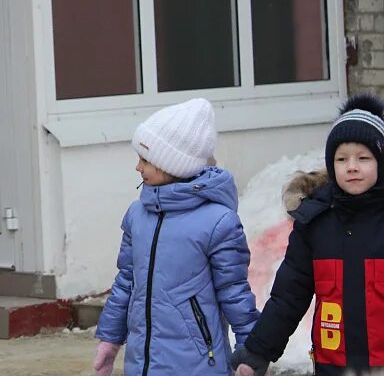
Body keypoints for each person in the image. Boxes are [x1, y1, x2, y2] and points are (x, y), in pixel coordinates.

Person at [93, 98, 259, 376]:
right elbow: (125, 282)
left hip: (197, 365)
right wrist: (110, 340)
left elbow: (234, 292)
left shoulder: (218, 222)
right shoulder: (137, 215)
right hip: (141, 364)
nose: (137, 167)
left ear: (172, 164)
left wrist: (252, 351)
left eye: (145, 159)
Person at [231, 94, 384, 376]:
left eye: (363, 158)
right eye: (341, 158)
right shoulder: (315, 223)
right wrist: (258, 352)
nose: (352, 166)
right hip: (333, 366)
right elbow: (289, 297)